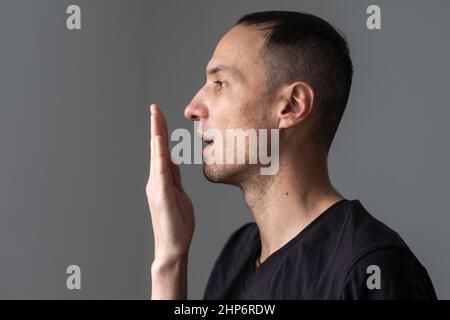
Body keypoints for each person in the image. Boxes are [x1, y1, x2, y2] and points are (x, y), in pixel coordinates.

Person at [146, 11, 437, 299]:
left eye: (220, 83)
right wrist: (170, 260)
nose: (192, 108)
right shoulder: (238, 255)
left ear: (292, 106)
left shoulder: (369, 268)